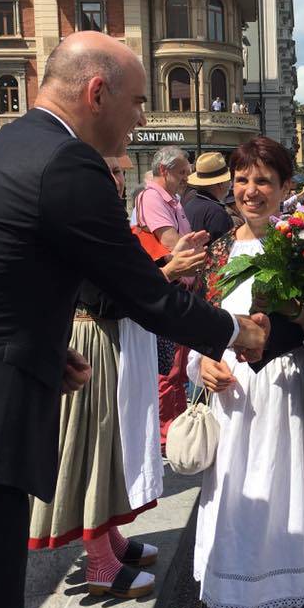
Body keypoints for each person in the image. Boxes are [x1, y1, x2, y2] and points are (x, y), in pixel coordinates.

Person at [0, 31, 269, 608]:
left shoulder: (5, 148)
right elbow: (145, 292)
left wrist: (42, 348)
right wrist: (244, 334)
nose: (141, 117)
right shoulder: (67, 162)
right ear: (98, 92)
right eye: (137, 102)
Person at [190, 137, 304, 608]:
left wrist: (295, 312)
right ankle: (239, 583)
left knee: (286, 485)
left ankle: (292, 585)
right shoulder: (219, 251)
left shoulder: (303, 244)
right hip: (232, 392)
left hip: (284, 388)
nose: (251, 190)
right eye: (242, 180)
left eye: (263, 180)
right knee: (236, 487)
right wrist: (203, 361)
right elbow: (202, 320)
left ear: (285, 186)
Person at [28, 156, 185, 598]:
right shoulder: (81, 216)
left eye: (119, 171)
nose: (116, 179)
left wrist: (160, 273)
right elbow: (100, 295)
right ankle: (98, 559)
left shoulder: (105, 214)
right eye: (108, 170)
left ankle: (109, 539)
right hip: (93, 337)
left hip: (113, 337)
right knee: (95, 445)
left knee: (116, 442)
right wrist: (165, 274)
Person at [134, 145, 205, 444]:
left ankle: (173, 428)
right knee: (170, 367)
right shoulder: (152, 197)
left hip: (180, 286)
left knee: (177, 369)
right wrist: (193, 253)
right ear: (164, 171)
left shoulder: (172, 200)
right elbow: (171, 243)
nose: (186, 179)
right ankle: (166, 434)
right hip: (168, 286)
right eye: (181, 173)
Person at [184, 152, 233, 244]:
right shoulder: (216, 212)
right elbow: (225, 250)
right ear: (220, 184)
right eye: (228, 180)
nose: (230, 184)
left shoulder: (189, 205)